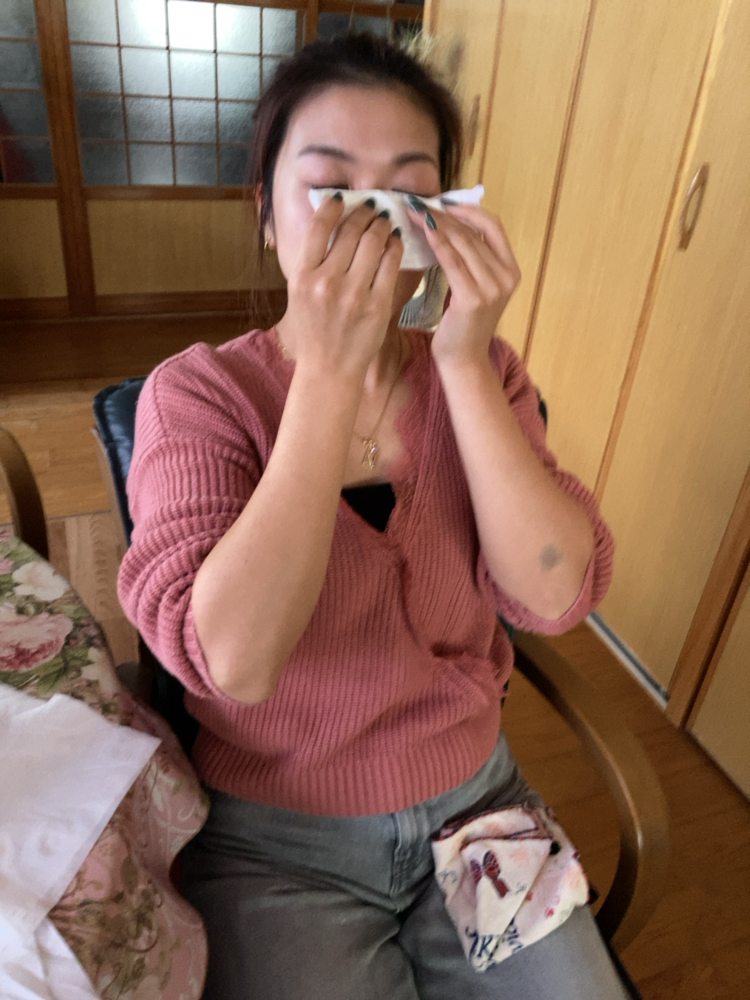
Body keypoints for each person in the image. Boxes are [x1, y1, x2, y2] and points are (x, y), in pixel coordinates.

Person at [118, 31, 624, 1000]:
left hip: (481, 808)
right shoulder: (198, 394)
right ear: (265, 215)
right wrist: (329, 375)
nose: (372, 219)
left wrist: (463, 361)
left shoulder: (485, 373)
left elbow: (556, 598)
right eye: (330, 186)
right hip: (276, 843)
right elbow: (233, 661)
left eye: (408, 189)